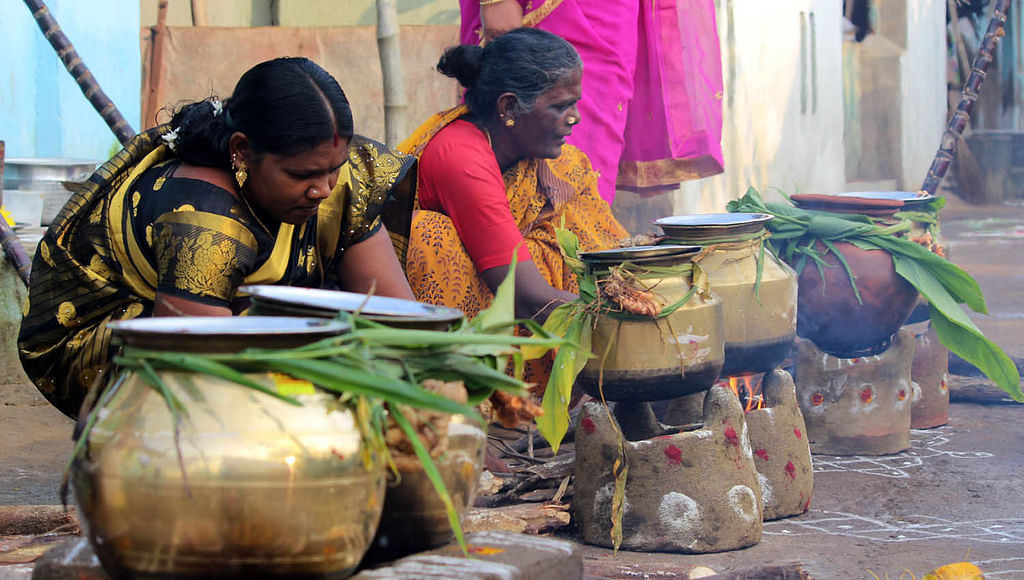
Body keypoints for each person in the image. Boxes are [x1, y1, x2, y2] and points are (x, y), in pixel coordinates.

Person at [19, 57, 416, 418]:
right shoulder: (203, 220)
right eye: (301, 176)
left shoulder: (332, 178)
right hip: (108, 344)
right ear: (241, 151)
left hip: (221, 335)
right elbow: (206, 366)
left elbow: (397, 319)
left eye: (334, 168)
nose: (323, 189)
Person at [396, 29, 629, 424]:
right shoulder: (462, 157)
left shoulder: (533, 156)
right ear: (509, 107)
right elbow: (527, 297)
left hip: (513, 299)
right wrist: (626, 324)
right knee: (432, 237)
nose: (574, 117)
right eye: (560, 107)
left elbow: (604, 253)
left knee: (566, 239)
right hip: (446, 322)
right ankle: (464, 407)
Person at [460, 0, 725, 204]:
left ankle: (572, 261)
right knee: (530, 115)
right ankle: (515, 262)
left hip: (609, 11)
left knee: (592, 149)